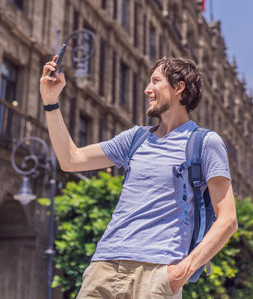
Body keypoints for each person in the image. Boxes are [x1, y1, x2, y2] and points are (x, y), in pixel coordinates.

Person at [40, 55, 237, 299]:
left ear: (179, 87)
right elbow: (71, 159)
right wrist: (51, 102)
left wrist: (181, 273)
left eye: (155, 81)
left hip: (156, 274)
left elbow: (227, 219)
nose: (147, 89)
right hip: (104, 266)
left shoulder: (205, 143)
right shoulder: (135, 138)